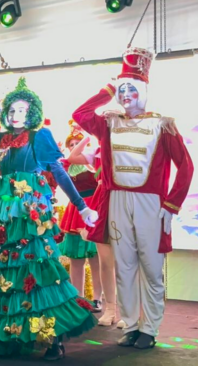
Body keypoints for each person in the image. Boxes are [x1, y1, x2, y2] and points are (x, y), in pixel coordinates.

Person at [0, 77, 97, 361]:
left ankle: (52, 339)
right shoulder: (2, 139)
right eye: (11, 110)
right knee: (5, 270)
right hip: (5, 216)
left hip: (31, 216)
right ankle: (11, 334)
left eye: (21, 109)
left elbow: (58, 171)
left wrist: (81, 206)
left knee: (38, 270)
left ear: (32, 112)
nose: (15, 114)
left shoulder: (39, 136)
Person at [73, 47, 194, 349]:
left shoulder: (163, 125)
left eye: (132, 88)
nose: (126, 94)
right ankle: (130, 325)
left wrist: (171, 205)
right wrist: (107, 90)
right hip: (117, 202)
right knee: (124, 267)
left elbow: (186, 167)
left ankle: (150, 328)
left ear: (144, 90)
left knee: (151, 268)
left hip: (150, 203)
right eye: (122, 89)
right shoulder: (109, 123)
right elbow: (80, 114)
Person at [66, 135, 124, 327]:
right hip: (96, 205)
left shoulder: (126, 149)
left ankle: (126, 312)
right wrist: (87, 137)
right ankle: (109, 309)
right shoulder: (96, 153)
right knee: (103, 262)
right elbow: (72, 157)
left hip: (119, 201)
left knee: (123, 262)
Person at [58, 121, 102, 312]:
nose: (74, 146)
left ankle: (98, 298)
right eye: (72, 144)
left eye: (78, 143)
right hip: (75, 210)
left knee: (96, 259)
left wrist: (86, 137)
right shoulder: (65, 165)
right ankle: (78, 298)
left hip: (93, 207)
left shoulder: (92, 162)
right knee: (76, 260)